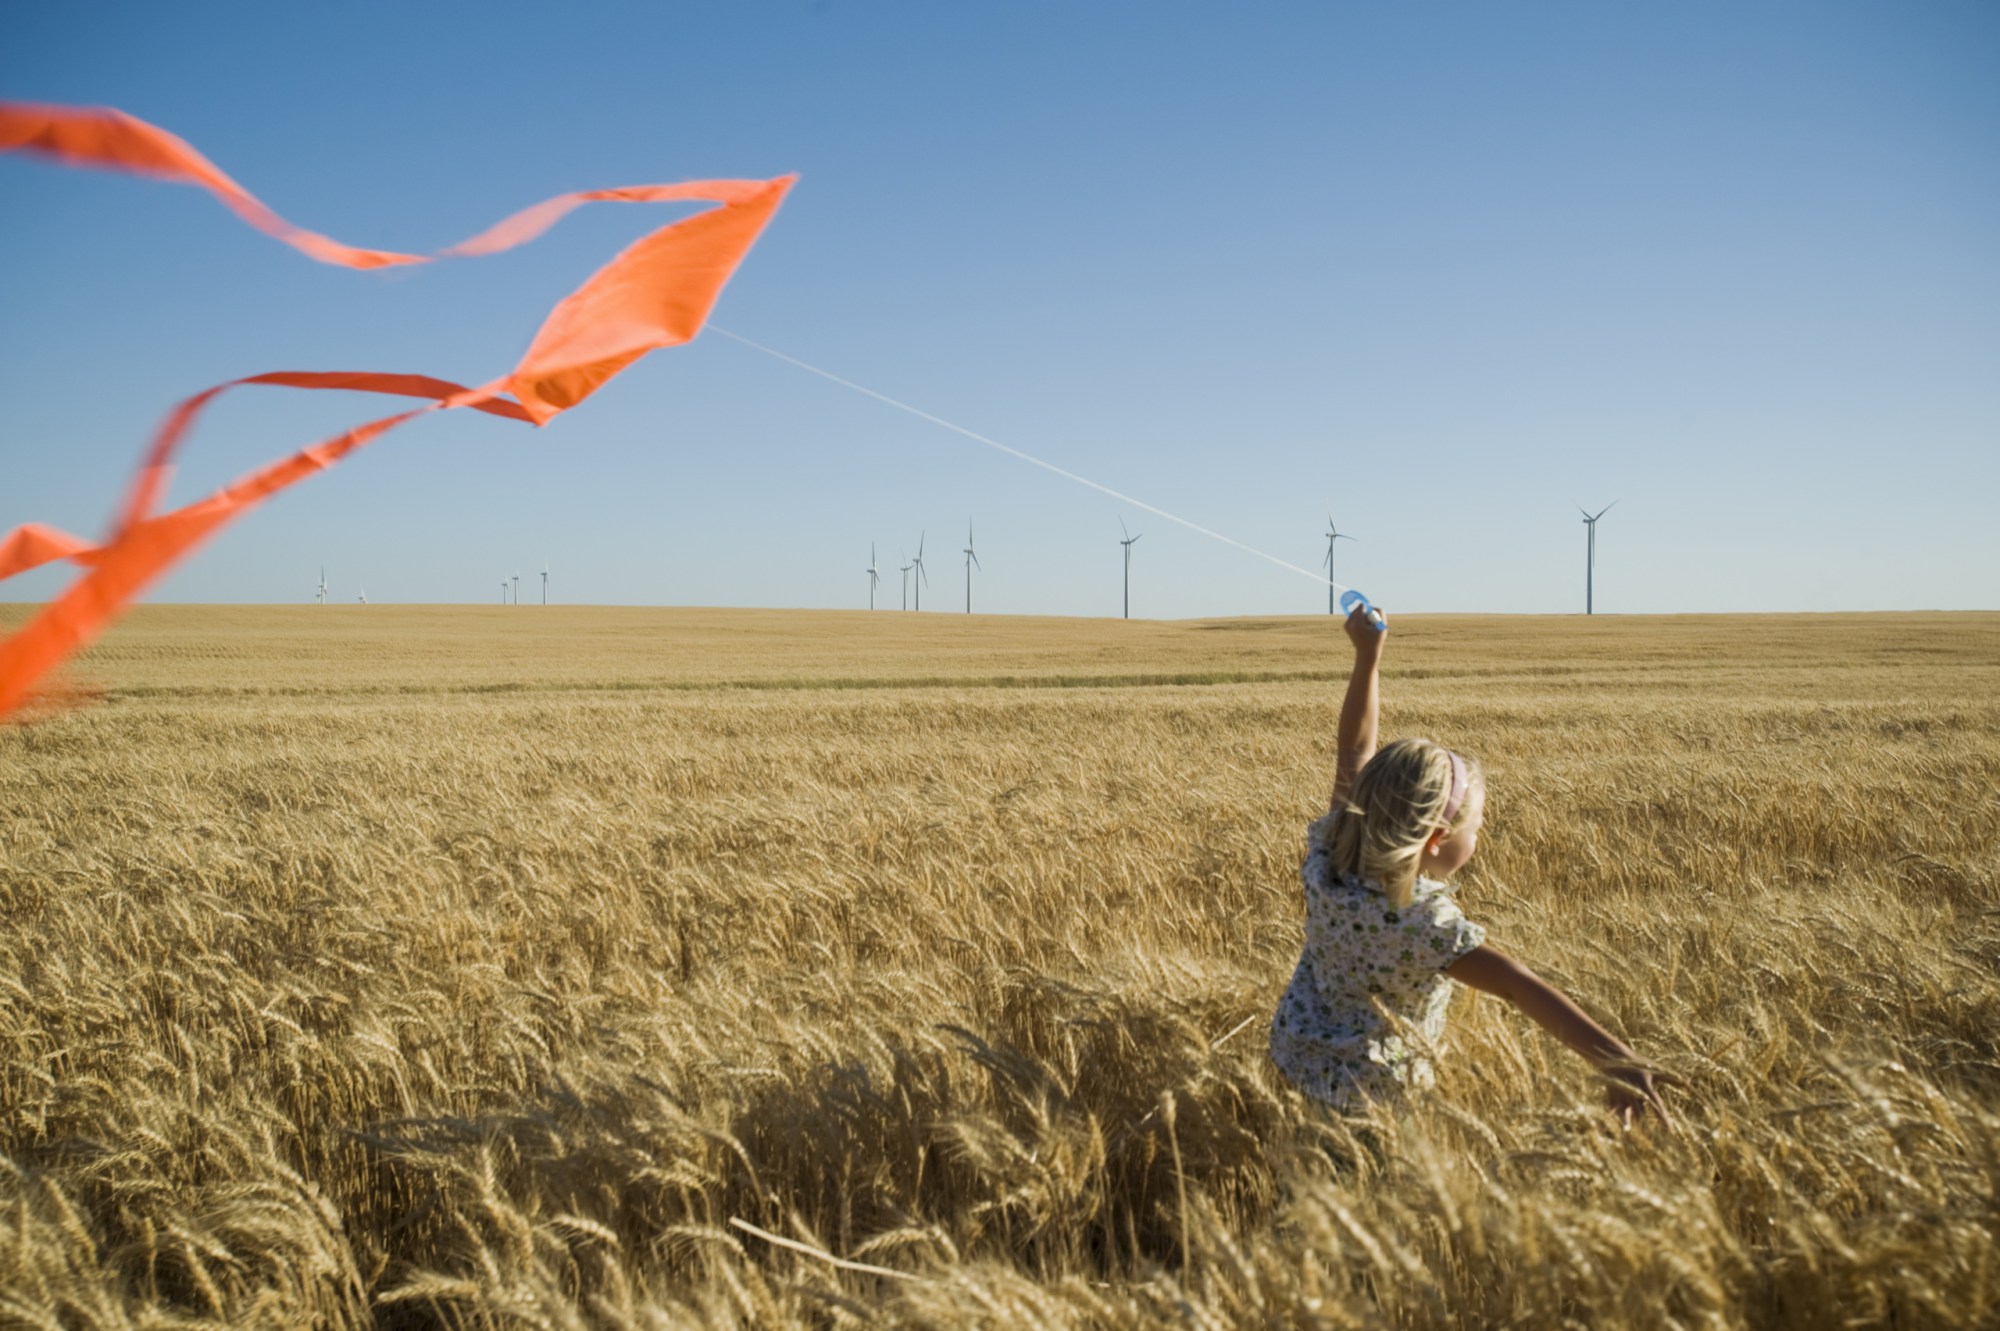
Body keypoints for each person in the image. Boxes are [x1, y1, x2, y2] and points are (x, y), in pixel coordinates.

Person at [1269, 604, 1675, 1129]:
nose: (1479, 837)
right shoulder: (1422, 927)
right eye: (1474, 828)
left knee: (1305, 1190)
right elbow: (1515, 983)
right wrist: (1614, 1056)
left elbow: (1354, 750)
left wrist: (1368, 658)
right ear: (1436, 840)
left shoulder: (1332, 853)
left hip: (1294, 1061)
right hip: (1371, 1104)